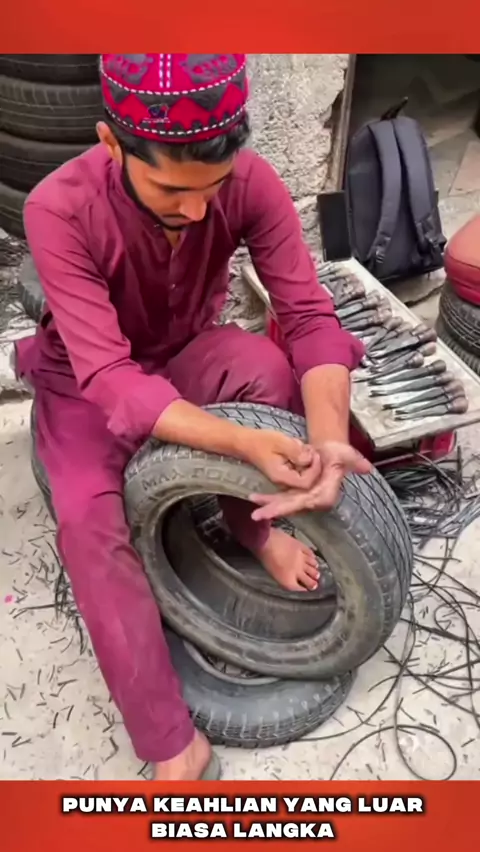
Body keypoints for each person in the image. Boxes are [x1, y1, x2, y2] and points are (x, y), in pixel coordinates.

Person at [15, 53, 371, 780]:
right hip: (85, 380)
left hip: (183, 351)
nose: (199, 209)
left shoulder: (252, 181)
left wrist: (328, 439)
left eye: (212, 186)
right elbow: (111, 381)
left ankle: (252, 525)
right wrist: (244, 441)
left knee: (264, 368)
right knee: (88, 520)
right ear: (111, 143)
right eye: (173, 189)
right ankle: (175, 744)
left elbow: (308, 316)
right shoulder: (57, 208)